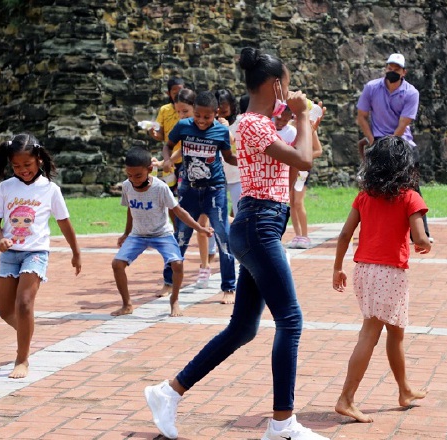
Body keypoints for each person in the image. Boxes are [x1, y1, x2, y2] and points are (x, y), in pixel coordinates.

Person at [145, 47, 329, 440]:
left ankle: (168, 392)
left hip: (259, 225)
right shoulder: (251, 125)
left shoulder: (256, 122)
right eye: (288, 82)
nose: (292, 89)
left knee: (243, 328)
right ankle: (282, 424)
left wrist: (297, 117)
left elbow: (286, 140)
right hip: (260, 225)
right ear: (276, 84)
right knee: (291, 321)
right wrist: (299, 115)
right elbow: (304, 160)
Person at [332, 136, 431, 423]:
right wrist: (425, 242)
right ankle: (346, 398)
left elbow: (344, 234)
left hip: (364, 270)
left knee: (395, 331)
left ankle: (404, 390)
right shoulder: (410, 196)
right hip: (390, 273)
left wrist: (337, 267)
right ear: (405, 165)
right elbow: (420, 237)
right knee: (371, 333)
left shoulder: (365, 195)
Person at [0, 133, 81, 379]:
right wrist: (0, 239)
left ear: (38, 159)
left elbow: (64, 223)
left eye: (26, 165)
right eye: (16, 166)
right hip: (10, 254)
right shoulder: (6, 188)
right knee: (5, 311)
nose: (22, 170)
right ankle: (27, 333)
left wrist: (76, 252)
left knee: (24, 304)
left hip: (36, 253)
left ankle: (22, 359)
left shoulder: (50, 189)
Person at [111, 148, 213, 317]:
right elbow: (130, 210)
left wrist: (199, 228)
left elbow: (179, 211)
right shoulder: (127, 186)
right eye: (129, 175)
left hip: (162, 234)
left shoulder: (160, 188)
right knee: (117, 264)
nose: (133, 180)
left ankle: (174, 300)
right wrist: (126, 233)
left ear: (149, 170)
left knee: (177, 264)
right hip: (138, 235)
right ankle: (127, 304)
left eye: (138, 176)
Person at [159, 91, 237, 304]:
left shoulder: (221, 131)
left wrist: (247, 164)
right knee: (181, 237)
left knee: (222, 236)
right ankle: (169, 282)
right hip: (189, 190)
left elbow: (228, 156)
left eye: (207, 117)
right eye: (198, 116)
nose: (202, 121)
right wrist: (166, 160)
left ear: (215, 114)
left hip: (215, 190)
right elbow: (168, 145)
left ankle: (229, 287)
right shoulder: (184, 127)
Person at [356, 53, 431, 241]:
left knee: (412, 187)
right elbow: (361, 116)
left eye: (396, 69)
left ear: (403, 72)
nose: (392, 71)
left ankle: (421, 233)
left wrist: (388, 145)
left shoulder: (411, 92)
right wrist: (372, 141)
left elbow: (403, 124)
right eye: (389, 67)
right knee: (372, 187)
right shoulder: (372, 88)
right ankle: (370, 231)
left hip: (402, 143)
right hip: (378, 141)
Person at [274, 106, 324, 249]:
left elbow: (317, 150)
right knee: (290, 202)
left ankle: (305, 235)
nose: (282, 122)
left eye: (285, 119)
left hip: (301, 171)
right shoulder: (287, 129)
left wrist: (300, 158)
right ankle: (297, 234)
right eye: (280, 119)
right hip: (287, 169)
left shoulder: (307, 128)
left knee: (298, 202)